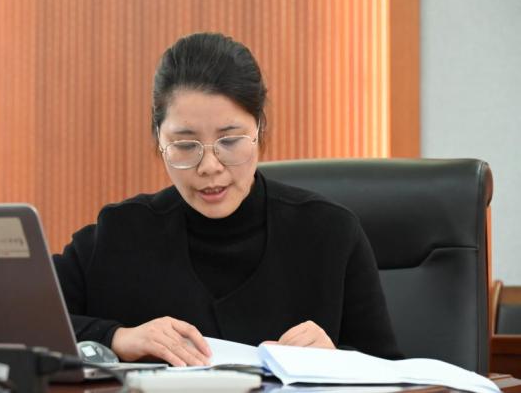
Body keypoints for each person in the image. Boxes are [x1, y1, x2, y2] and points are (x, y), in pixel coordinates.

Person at [53, 32, 401, 367]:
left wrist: (338, 361)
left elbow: (393, 371)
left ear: (259, 129)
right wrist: (116, 338)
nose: (209, 166)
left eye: (230, 141)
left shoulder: (330, 232)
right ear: (159, 138)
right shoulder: (119, 233)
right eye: (185, 145)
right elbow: (24, 322)